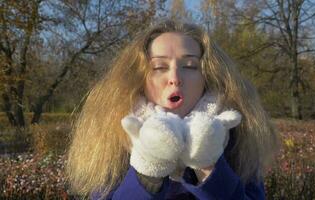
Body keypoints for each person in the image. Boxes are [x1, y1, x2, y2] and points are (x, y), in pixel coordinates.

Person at [65, 20, 281, 200]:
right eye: (159, 67)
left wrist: (209, 166)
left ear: (208, 77)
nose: (175, 78)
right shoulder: (116, 136)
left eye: (189, 66)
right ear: (139, 79)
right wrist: (148, 171)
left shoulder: (237, 138)